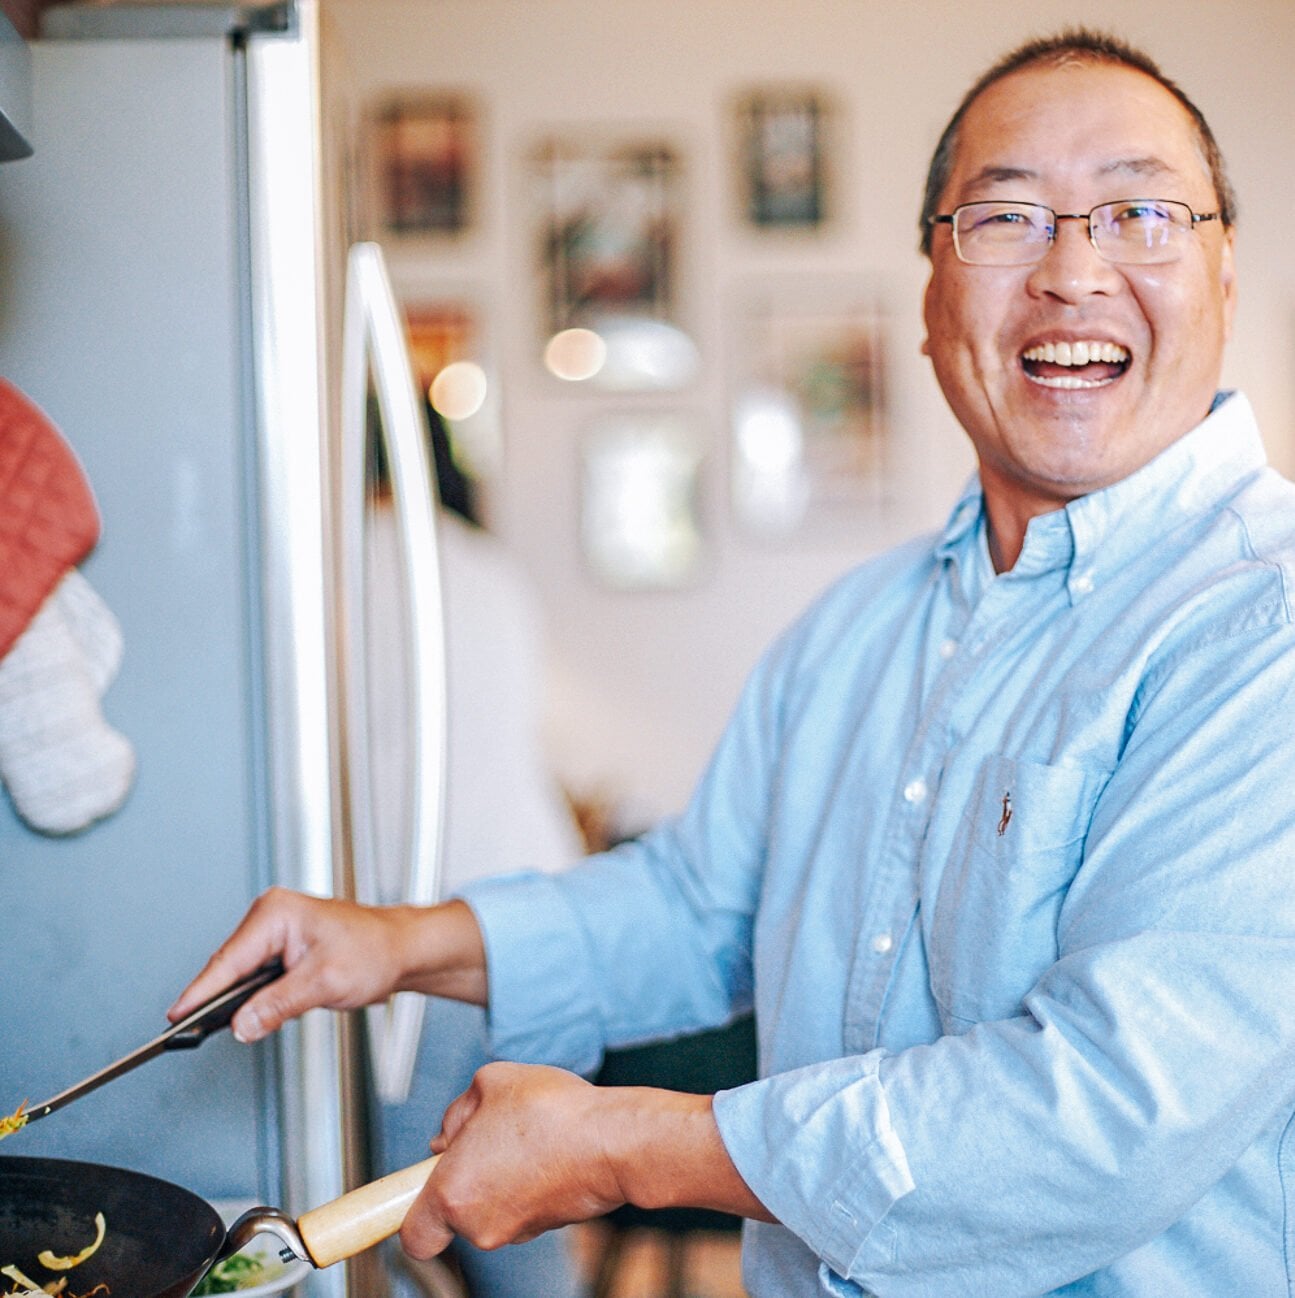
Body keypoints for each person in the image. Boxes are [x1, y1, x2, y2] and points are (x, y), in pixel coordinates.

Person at [171, 29, 1295, 1297]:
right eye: (1005, 217)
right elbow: (698, 906)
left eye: (1140, 212)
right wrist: (391, 941)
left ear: (1221, 273)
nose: (1072, 270)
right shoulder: (855, 628)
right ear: (931, 290)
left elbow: (1097, 1115)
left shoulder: (1262, 627)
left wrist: (622, 1150)